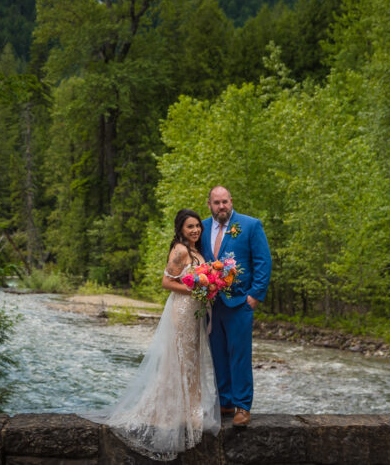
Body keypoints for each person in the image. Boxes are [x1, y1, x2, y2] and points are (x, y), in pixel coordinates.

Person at [86, 209, 220, 460]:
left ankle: (189, 409)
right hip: (182, 309)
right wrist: (195, 291)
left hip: (196, 312)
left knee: (192, 359)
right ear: (180, 229)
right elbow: (166, 282)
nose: (195, 230)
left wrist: (209, 287)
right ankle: (172, 410)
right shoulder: (180, 250)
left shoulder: (197, 251)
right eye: (190, 227)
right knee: (179, 358)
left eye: (197, 226)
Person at [202, 185, 272, 427]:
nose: (222, 207)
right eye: (217, 203)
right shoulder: (201, 228)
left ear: (231, 201)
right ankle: (226, 401)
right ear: (209, 204)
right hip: (212, 303)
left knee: (239, 355)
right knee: (218, 353)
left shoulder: (251, 226)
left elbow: (263, 261)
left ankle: (243, 406)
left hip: (240, 301)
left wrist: (255, 295)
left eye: (225, 202)